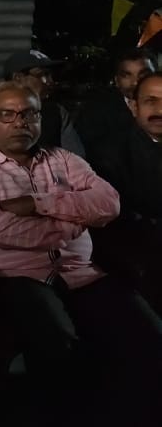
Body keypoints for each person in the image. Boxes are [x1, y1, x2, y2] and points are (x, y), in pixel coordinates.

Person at [0, 81, 162, 427]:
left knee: (148, 336)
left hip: (81, 273)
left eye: (29, 114)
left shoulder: (62, 159)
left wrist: (38, 203)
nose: (20, 122)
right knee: (60, 347)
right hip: (18, 278)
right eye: (7, 114)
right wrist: (70, 225)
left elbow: (109, 203)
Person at [89, 72, 162, 308]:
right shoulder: (109, 154)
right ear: (133, 106)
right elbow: (117, 219)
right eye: (151, 101)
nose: (160, 110)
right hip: (140, 261)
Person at [0, 49, 84, 156]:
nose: (50, 82)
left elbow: (76, 157)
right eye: (42, 75)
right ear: (18, 78)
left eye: (51, 75)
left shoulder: (56, 112)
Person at [77, 47, 156, 153]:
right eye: (127, 76)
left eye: (143, 74)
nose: (135, 82)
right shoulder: (95, 112)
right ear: (117, 81)